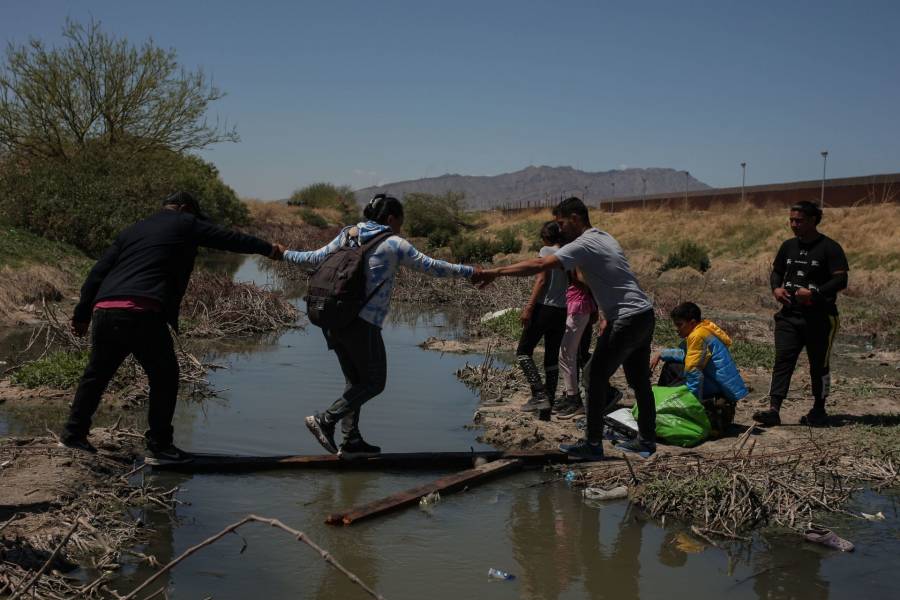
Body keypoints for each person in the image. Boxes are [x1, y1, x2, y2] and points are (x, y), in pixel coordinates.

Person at [60, 191, 284, 463]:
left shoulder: (133, 230)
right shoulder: (185, 222)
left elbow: (97, 273)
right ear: (184, 208)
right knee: (165, 376)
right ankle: (160, 446)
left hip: (106, 310)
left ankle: (73, 436)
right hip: (142, 312)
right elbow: (230, 239)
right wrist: (269, 249)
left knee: (96, 375)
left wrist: (81, 315)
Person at [284, 194, 480, 459]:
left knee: (355, 382)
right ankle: (325, 420)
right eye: (400, 221)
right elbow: (432, 267)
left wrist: (282, 253)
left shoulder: (348, 234)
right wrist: (471, 272)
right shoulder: (394, 243)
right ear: (391, 219)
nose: (401, 227)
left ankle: (351, 440)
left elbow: (314, 258)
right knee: (375, 382)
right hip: (362, 323)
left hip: (332, 318)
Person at [474, 196, 656, 458]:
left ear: (574, 218)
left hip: (626, 319)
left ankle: (593, 445)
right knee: (639, 382)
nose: (559, 229)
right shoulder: (604, 237)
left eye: (562, 223)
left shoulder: (584, 243)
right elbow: (607, 279)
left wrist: (496, 272)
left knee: (593, 376)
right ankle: (646, 440)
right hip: (643, 314)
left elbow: (540, 265)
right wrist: (603, 313)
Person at [753, 201, 848, 427]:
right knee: (783, 361)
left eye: (799, 220)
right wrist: (776, 288)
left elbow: (841, 280)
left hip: (821, 318)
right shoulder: (788, 246)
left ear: (813, 220)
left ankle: (819, 409)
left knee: (819, 365)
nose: (794, 224)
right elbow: (777, 272)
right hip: (789, 316)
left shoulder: (830, 247)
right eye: (791, 220)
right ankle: (774, 409)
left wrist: (814, 293)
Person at [651, 302, 748, 435]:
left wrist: (691, 404)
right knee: (673, 364)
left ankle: (659, 405)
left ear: (692, 322)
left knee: (671, 368)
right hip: (720, 383)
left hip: (717, 386)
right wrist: (661, 354)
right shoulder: (703, 330)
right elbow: (686, 354)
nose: (677, 329)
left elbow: (694, 372)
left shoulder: (697, 336)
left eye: (680, 325)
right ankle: (660, 404)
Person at [515, 221, 567, 415]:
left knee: (523, 351)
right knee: (551, 357)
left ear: (546, 237)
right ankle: (550, 400)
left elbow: (542, 279)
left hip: (544, 308)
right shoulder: (569, 252)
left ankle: (539, 394)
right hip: (563, 311)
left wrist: (529, 307)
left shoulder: (546, 251)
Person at [554, 269, 598, 419]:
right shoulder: (577, 258)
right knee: (570, 355)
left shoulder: (575, 260)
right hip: (578, 305)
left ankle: (574, 400)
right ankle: (571, 396)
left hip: (578, 307)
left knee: (566, 355)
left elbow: (584, 280)